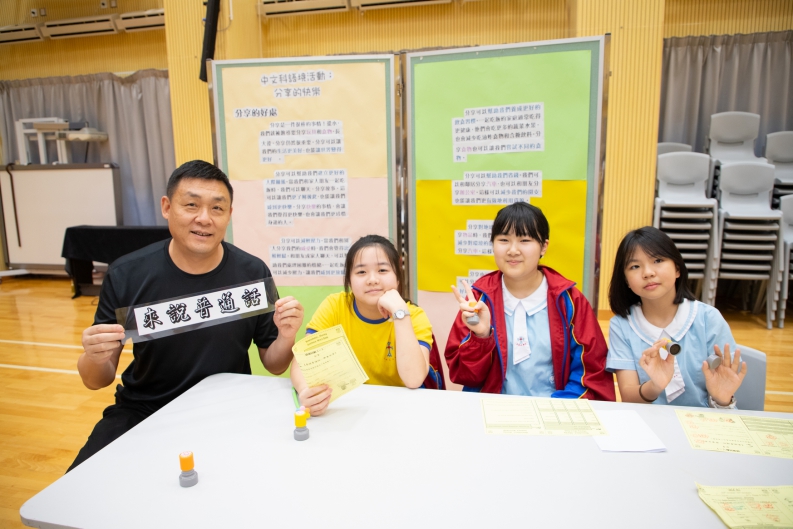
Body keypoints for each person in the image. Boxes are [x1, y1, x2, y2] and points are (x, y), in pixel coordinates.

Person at [71, 160, 303, 471]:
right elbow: (95, 380)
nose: (204, 218)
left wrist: (286, 336)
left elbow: (274, 364)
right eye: (191, 205)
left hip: (228, 409)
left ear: (229, 215)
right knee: (84, 483)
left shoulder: (251, 272)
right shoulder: (126, 274)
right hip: (145, 409)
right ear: (167, 207)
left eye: (217, 208)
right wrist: (93, 356)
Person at [446, 202, 615, 400]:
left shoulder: (569, 301)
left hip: (554, 410)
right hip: (493, 410)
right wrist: (481, 337)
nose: (513, 250)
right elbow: (464, 375)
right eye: (503, 240)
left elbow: (592, 373)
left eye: (524, 240)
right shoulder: (479, 301)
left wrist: (555, 409)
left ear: (543, 246)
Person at [292, 235, 442, 416]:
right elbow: (303, 361)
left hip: (399, 410)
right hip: (347, 409)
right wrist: (305, 391)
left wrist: (400, 313)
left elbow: (414, 379)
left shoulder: (414, 316)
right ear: (349, 279)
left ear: (397, 277)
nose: (372, 279)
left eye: (382, 270)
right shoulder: (334, 306)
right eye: (361, 272)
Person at [606, 226, 746, 408]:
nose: (648, 273)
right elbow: (629, 397)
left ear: (677, 269)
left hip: (705, 420)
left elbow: (723, 398)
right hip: (650, 422)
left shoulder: (708, 318)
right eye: (635, 266)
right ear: (626, 280)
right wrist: (655, 386)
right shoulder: (621, 325)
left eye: (657, 260)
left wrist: (722, 398)